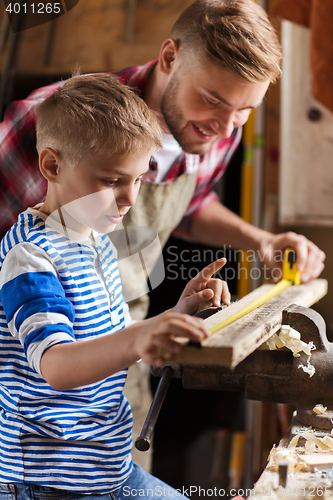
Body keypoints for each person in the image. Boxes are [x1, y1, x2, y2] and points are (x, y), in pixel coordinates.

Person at [0, 0, 325, 313]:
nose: (226, 130)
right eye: (212, 100)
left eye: (244, 110)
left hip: (123, 335)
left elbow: (188, 206)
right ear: (170, 57)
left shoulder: (216, 130)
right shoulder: (51, 122)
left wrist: (261, 241)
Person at [0, 73, 231, 496]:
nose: (130, 198)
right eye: (112, 180)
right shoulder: (30, 258)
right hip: (50, 481)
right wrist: (143, 337)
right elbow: (58, 367)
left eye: (139, 178)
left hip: (107, 466)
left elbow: (109, 340)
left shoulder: (98, 243)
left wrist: (177, 315)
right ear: (52, 165)